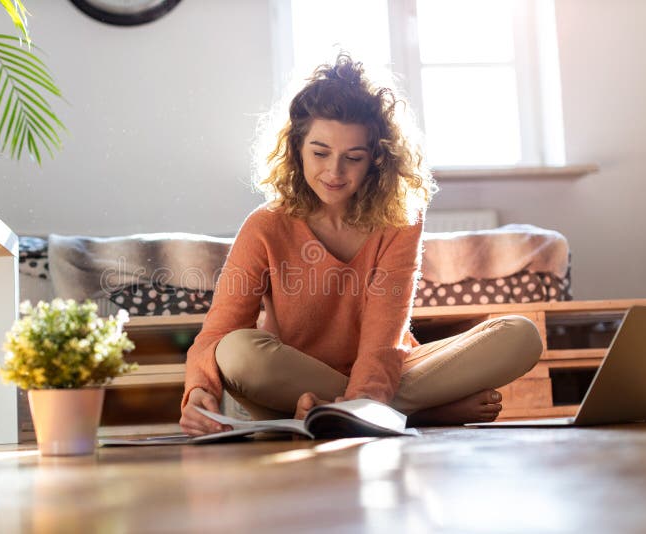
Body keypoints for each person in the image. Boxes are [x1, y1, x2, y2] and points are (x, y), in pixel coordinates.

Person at [180, 53, 543, 436]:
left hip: (385, 370)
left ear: (376, 160)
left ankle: (345, 411)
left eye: (353, 158)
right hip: (292, 380)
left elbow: (383, 338)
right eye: (320, 153)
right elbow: (218, 332)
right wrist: (199, 391)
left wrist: (365, 393)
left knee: (520, 335)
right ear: (296, 148)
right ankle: (413, 413)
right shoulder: (265, 225)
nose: (334, 172)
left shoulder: (400, 220)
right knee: (237, 352)